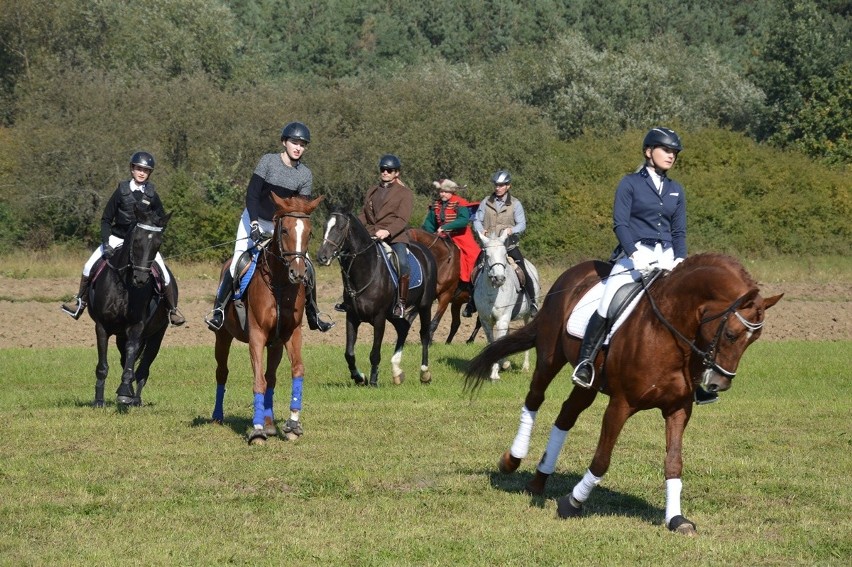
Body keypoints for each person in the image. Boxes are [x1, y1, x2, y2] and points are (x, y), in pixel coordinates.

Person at [569, 127, 705, 400]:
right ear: (648, 152)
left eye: (674, 152)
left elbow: (679, 232)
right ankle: (586, 364)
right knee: (608, 302)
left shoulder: (676, 189)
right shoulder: (629, 183)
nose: (671, 156)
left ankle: (696, 378)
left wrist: (680, 260)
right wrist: (634, 253)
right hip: (635, 255)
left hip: (667, 257)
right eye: (666, 150)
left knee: (690, 309)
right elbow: (620, 223)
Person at [204, 121, 333, 333]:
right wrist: (253, 223)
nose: (298, 147)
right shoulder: (268, 162)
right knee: (238, 261)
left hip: (283, 226)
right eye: (294, 142)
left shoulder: (305, 175)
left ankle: (313, 313)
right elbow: (252, 194)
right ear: (284, 142)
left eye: (302, 144)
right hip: (254, 219)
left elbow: (300, 209)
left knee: (307, 266)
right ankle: (218, 311)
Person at [61, 151, 185, 326]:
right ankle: (80, 302)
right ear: (132, 169)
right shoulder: (121, 191)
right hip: (117, 238)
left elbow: (161, 220)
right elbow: (105, 219)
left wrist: (151, 239)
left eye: (146, 170)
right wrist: (105, 242)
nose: (142, 173)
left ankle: (172, 310)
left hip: (141, 245)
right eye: (138, 169)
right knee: (89, 266)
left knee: (164, 273)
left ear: (150, 173)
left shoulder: (152, 195)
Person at [464, 169, 539, 316]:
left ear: (508, 186)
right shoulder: (486, 202)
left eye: (501, 185)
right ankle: (471, 304)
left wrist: (513, 230)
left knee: (522, 269)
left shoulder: (515, 204)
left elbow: (522, 224)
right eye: (496, 185)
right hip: (490, 247)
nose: (498, 188)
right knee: (475, 271)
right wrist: (481, 230)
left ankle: (532, 303)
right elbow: (477, 220)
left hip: (508, 246)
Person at [359, 154, 414, 318]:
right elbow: (364, 215)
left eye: (389, 170)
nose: (385, 172)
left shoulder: (405, 193)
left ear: (396, 173)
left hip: (394, 236)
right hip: (371, 234)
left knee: (402, 263)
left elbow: (402, 219)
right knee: (352, 258)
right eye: (383, 169)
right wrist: (354, 223)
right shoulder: (372, 190)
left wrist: (387, 231)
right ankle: (349, 298)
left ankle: (402, 303)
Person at [422, 179, 481, 292]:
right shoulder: (436, 204)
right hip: (441, 236)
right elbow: (429, 223)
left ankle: (471, 285)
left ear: (451, 191)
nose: (442, 194)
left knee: (474, 254)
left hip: (460, 235)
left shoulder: (460, 202)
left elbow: (463, 220)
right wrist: (429, 234)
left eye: (445, 191)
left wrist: (445, 227)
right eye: (441, 191)